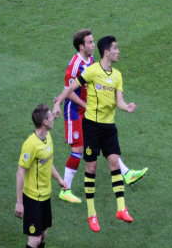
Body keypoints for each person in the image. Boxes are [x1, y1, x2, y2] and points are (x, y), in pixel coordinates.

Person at [53, 35, 136, 233]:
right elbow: (70, 87)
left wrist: (126, 107)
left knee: (114, 162)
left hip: (109, 127)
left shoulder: (118, 75)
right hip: (91, 126)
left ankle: (121, 209)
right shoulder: (92, 70)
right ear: (107, 51)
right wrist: (58, 103)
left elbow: (119, 100)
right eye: (115, 48)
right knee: (91, 167)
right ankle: (92, 214)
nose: (118, 51)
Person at [59, 29, 148, 205]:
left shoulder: (92, 61)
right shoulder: (75, 65)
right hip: (74, 111)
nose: (93, 45)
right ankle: (65, 190)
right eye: (90, 42)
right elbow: (68, 91)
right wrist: (82, 104)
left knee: (105, 144)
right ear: (81, 46)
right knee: (78, 149)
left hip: (89, 111)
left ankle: (126, 173)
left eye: (93, 42)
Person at [15, 104, 67, 248]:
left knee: (43, 234)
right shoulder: (30, 144)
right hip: (32, 198)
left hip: (45, 195)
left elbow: (47, 162)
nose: (53, 119)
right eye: (51, 117)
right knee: (35, 239)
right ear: (44, 122)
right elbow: (20, 172)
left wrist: (59, 179)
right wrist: (19, 202)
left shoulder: (47, 136)